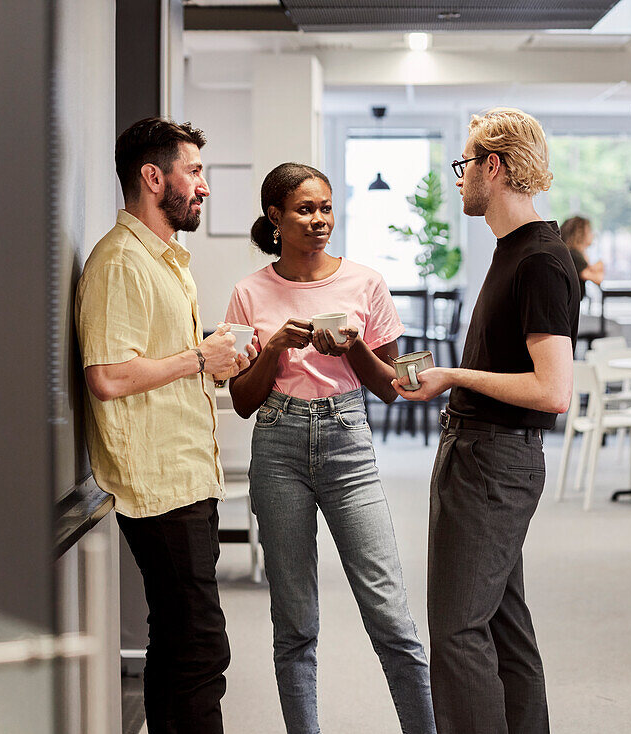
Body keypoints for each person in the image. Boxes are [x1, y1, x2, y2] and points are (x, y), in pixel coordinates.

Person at [225, 162, 436, 734]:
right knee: (294, 624)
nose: (319, 220)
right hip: (278, 445)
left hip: (348, 439)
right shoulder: (249, 292)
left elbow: (394, 387)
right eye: (304, 209)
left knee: (390, 616)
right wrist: (275, 347)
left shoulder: (365, 283)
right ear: (276, 217)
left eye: (325, 208)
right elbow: (242, 400)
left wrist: (349, 348)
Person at [395, 107, 579, 734]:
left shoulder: (540, 262)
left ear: (492, 168)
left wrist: (453, 376)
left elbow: (553, 389)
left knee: (456, 633)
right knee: (501, 624)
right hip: (481, 453)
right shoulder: (514, 252)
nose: (460, 178)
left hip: (494, 461)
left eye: (464, 165)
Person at [76, 117, 255, 733]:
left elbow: (148, 359)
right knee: (201, 645)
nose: (204, 186)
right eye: (195, 171)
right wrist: (200, 357)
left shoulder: (164, 260)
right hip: (157, 483)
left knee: (181, 642)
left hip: (184, 473)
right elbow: (107, 375)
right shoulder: (120, 261)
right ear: (154, 178)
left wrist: (209, 352)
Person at [559, 215, 605, 300]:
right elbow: (597, 278)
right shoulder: (574, 254)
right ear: (580, 233)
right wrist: (600, 266)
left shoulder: (571, 253)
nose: (593, 234)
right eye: (590, 231)